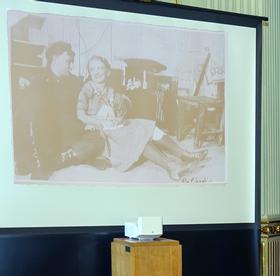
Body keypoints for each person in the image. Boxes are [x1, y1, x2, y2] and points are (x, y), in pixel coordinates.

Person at [76, 56, 205, 181]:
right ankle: (170, 166)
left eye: (100, 68)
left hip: (115, 126)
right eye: (92, 69)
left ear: (108, 72)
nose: (96, 72)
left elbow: (119, 110)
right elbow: (80, 114)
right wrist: (98, 122)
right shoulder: (87, 88)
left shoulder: (111, 90)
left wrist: (119, 116)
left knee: (146, 125)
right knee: (138, 137)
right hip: (101, 130)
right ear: (89, 73)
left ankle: (183, 153)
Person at [27, 42, 106, 179]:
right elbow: (35, 121)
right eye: (68, 61)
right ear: (54, 58)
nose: (71, 66)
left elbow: (89, 99)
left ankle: (60, 161)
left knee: (98, 137)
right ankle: (62, 159)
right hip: (51, 139)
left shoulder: (75, 82)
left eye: (72, 62)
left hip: (74, 138)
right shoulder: (38, 82)